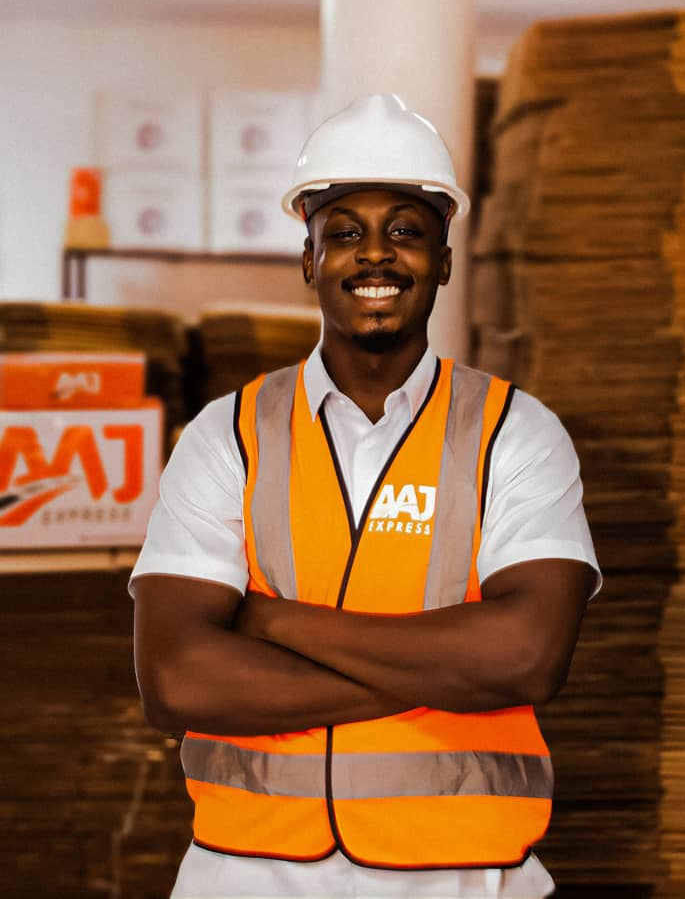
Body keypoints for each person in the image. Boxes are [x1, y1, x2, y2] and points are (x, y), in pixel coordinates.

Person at [131, 93, 600, 899]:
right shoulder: (227, 437)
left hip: (466, 880)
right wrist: (451, 669)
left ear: (445, 258)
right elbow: (176, 680)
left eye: (406, 231)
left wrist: (271, 621)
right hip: (247, 877)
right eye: (344, 231)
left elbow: (527, 655)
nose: (375, 256)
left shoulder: (514, 434)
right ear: (308, 256)